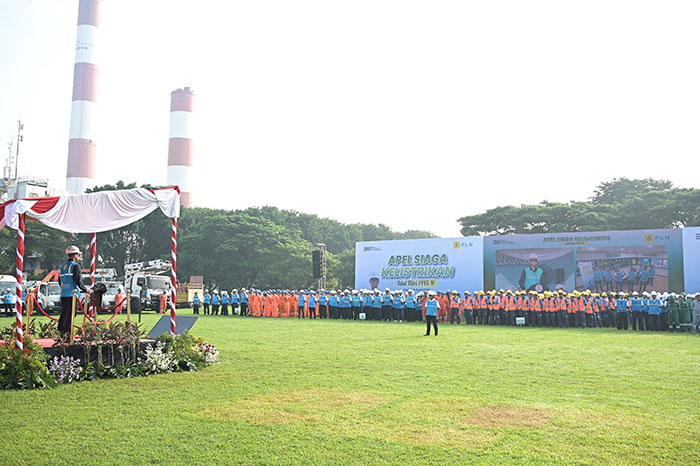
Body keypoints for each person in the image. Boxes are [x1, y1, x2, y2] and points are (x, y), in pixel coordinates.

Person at [58, 245, 92, 336]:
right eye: (78, 255)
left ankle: (61, 332)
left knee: (64, 314)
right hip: (72, 295)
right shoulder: (75, 266)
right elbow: (77, 280)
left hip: (63, 294)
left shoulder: (62, 266)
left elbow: (59, 281)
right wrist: (86, 290)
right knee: (71, 314)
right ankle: (68, 334)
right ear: (75, 255)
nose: (79, 256)